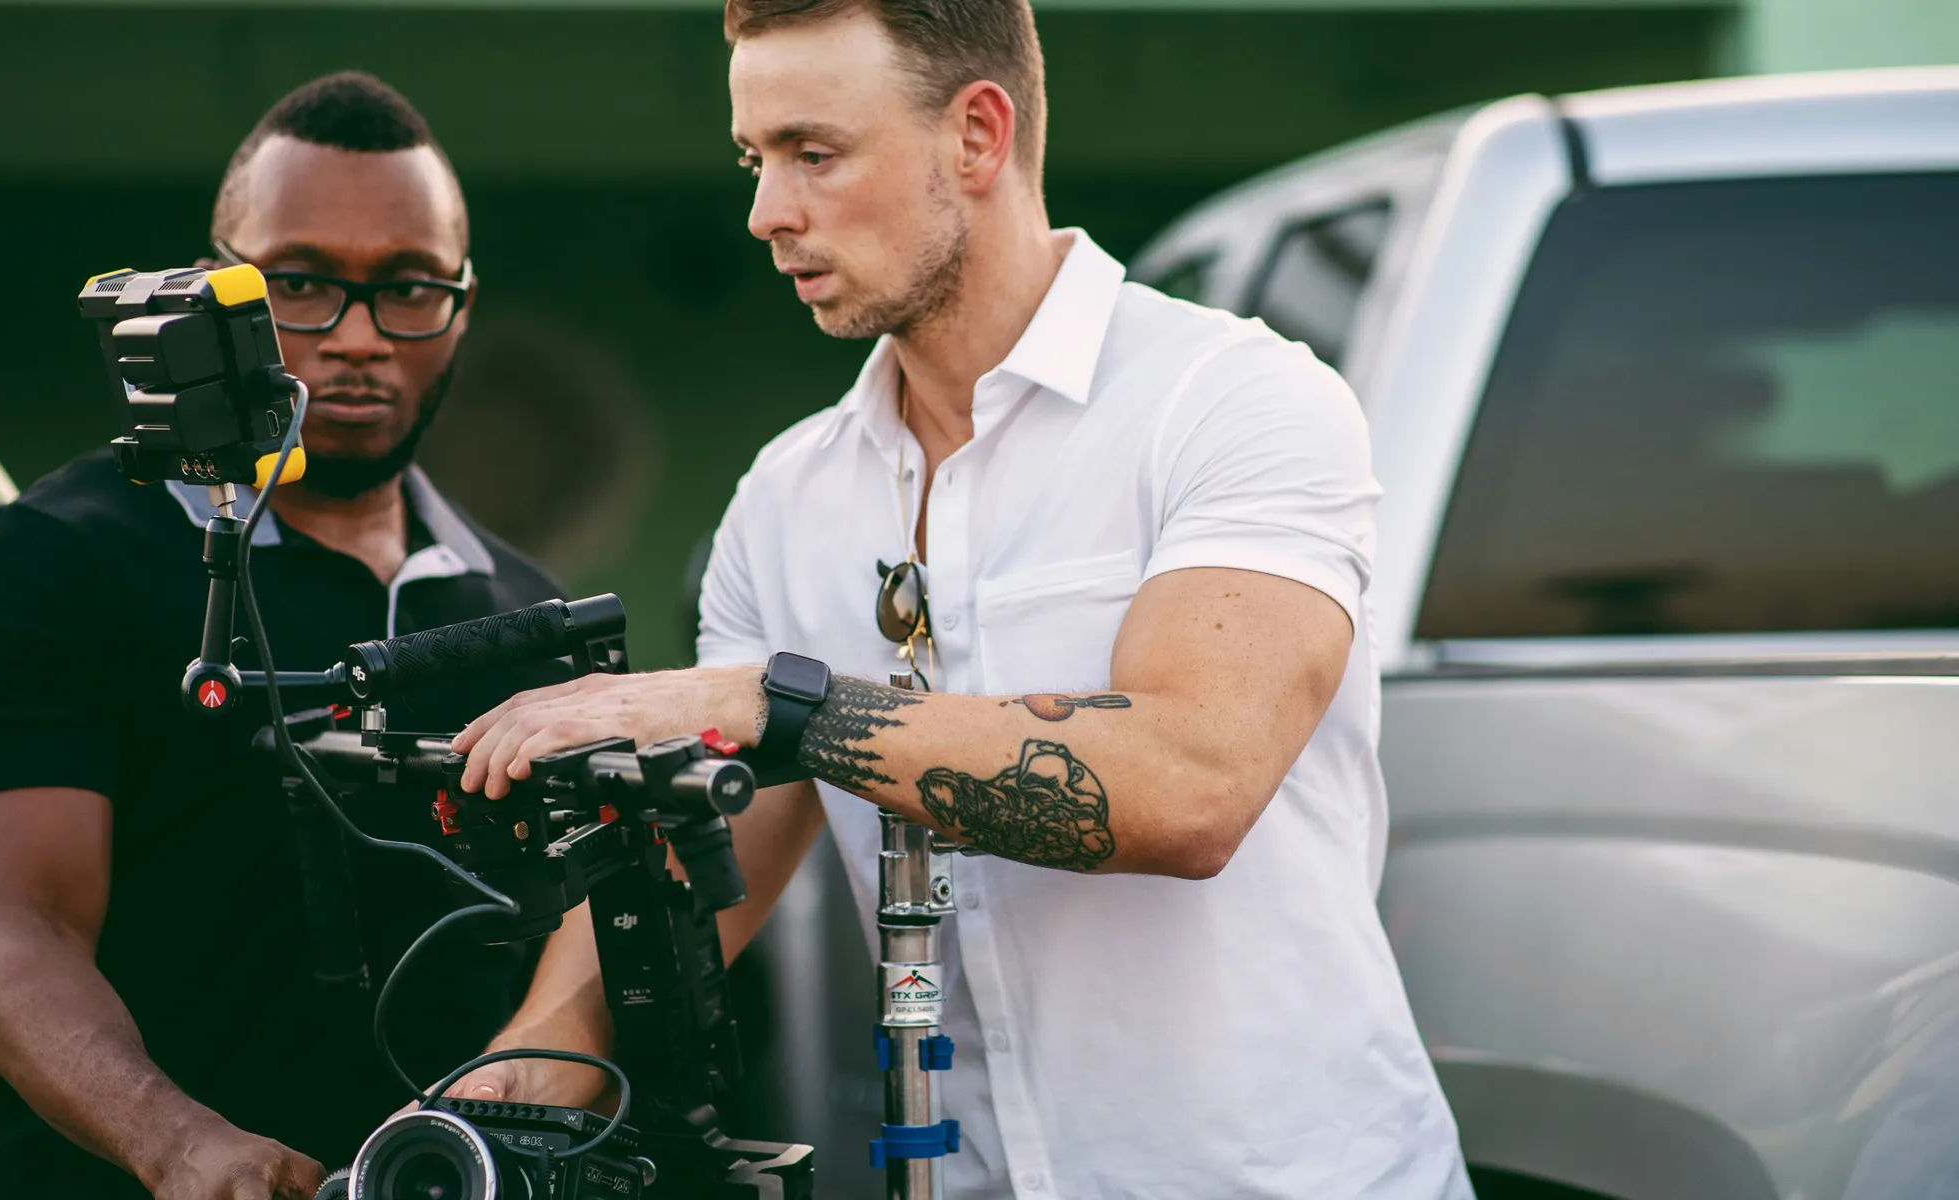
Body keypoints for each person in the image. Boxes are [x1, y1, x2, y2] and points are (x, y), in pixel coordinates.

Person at [439, 2, 1472, 1196]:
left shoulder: (1235, 401)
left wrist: (778, 704)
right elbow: (709, 844)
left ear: (978, 136)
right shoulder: (786, 498)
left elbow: (1192, 784)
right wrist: (540, 1052)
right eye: (755, 159)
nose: (767, 212)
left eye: (813, 153)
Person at [0, 73, 568, 1200]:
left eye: (410, 289)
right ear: (220, 288)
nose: (359, 340)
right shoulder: (48, 564)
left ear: (460, 302)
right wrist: (175, 1143)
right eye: (301, 284)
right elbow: (17, 934)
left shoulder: (522, 609)